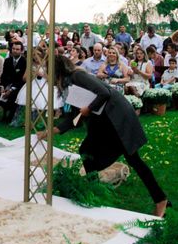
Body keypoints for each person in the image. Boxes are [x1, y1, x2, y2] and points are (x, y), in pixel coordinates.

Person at [37, 55, 169, 217]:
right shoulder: (68, 83)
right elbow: (75, 118)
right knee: (89, 152)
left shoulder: (77, 76)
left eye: (47, 70)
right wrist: (51, 132)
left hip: (116, 118)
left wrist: (89, 108)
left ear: (56, 70)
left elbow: (104, 93)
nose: (45, 74)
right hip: (106, 121)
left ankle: (159, 199)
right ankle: (95, 193)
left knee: (129, 159)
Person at [0, 40, 27, 122]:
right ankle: (3, 112)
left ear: (21, 51)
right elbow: (3, 75)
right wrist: (2, 86)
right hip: (7, 84)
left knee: (13, 95)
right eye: (13, 48)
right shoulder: (7, 60)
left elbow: (22, 80)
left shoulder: (24, 62)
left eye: (17, 49)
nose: (15, 50)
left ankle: (10, 115)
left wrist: (11, 89)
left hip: (19, 86)